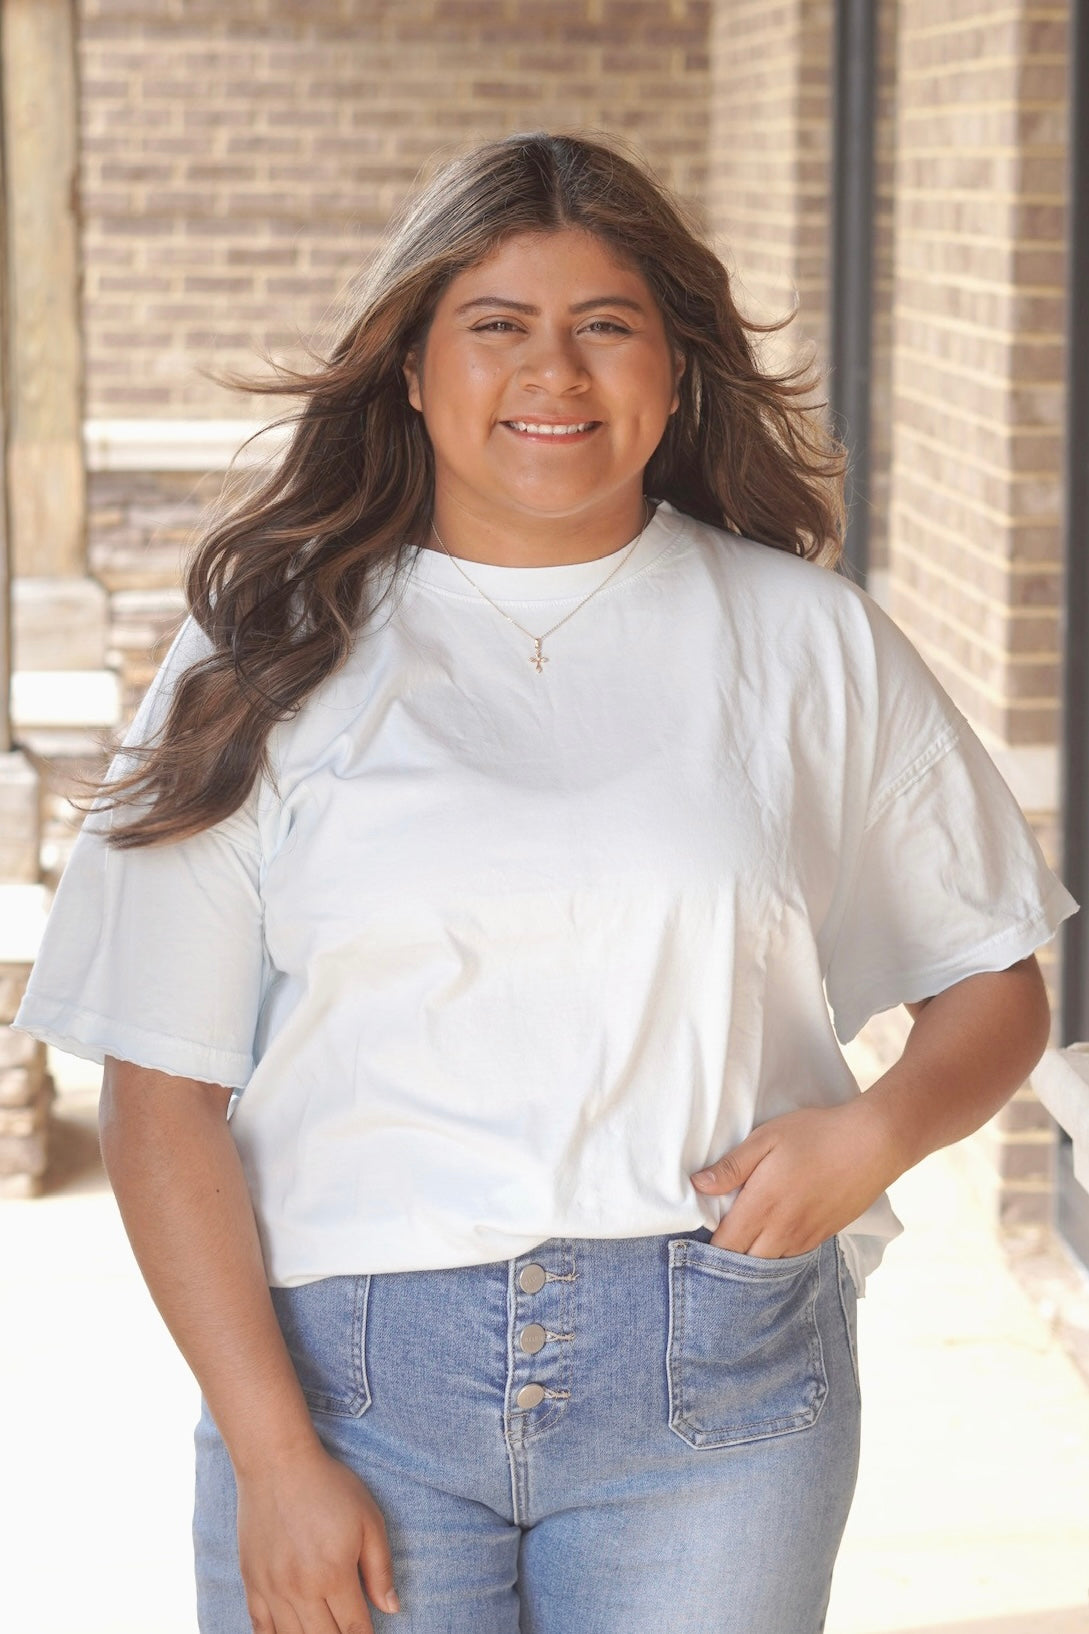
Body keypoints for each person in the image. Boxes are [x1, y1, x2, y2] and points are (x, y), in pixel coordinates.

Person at [15, 130, 1077, 1634]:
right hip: (345, 1387)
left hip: (717, 1381)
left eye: (605, 325)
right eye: (497, 325)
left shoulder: (802, 638)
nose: (554, 374)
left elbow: (994, 981)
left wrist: (877, 1131)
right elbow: (156, 1089)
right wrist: (271, 1456)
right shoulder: (267, 651)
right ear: (410, 366)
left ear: (675, 366)